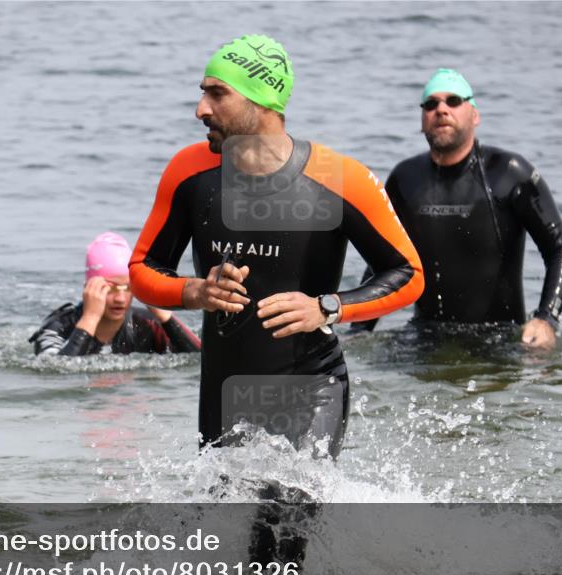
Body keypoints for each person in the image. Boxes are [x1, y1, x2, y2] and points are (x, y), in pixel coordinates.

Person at [128, 35, 423, 458]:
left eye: (217, 94)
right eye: (202, 93)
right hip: (223, 393)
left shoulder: (339, 178)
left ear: (262, 100)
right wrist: (194, 292)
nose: (201, 109)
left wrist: (327, 307)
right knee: (230, 522)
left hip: (312, 387)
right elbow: (143, 268)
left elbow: (408, 274)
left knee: (292, 512)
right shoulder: (189, 172)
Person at [353, 68, 562, 350]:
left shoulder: (509, 173)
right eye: (431, 104)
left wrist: (546, 319)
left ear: (475, 115)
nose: (441, 110)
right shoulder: (405, 179)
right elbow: (382, 262)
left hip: (500, 340)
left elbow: (559, 249)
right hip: (425, 339)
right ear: (422, 120)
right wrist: (359, 330)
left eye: (453, 101)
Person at [30, 232, 200, 356]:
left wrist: (167, 320)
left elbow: (199, 361)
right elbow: (56, 374)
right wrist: (89, 319)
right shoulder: (58, 326)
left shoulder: (146, 325)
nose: (119, 299)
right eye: (109, 288)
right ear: (89, 287)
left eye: (127, 288)